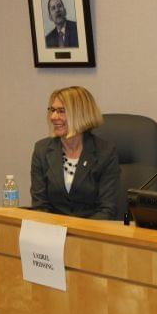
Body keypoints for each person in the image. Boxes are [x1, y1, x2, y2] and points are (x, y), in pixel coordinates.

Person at [30, 86, 120, 219]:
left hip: (91, 232)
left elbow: (107, 209)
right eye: (52, 110)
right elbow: (40, 206)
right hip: (52, 232)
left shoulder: (105, 152)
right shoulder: (42, 150)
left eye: (61, 111)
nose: (53, 117)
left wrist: (78, 234)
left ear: (80, 114)